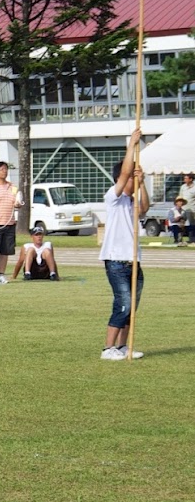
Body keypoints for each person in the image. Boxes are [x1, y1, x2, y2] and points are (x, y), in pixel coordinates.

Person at [99, 128, 148, 360]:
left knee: (131, 307)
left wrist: (143, 183)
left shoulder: (132, 203)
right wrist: (132, 145)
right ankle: (107, 348)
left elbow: (145, 208)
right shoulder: (114, 197)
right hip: (116, 260)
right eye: (130, 177)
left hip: (134, 261)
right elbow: (124, 173)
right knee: (123, 302)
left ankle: (121, 346)